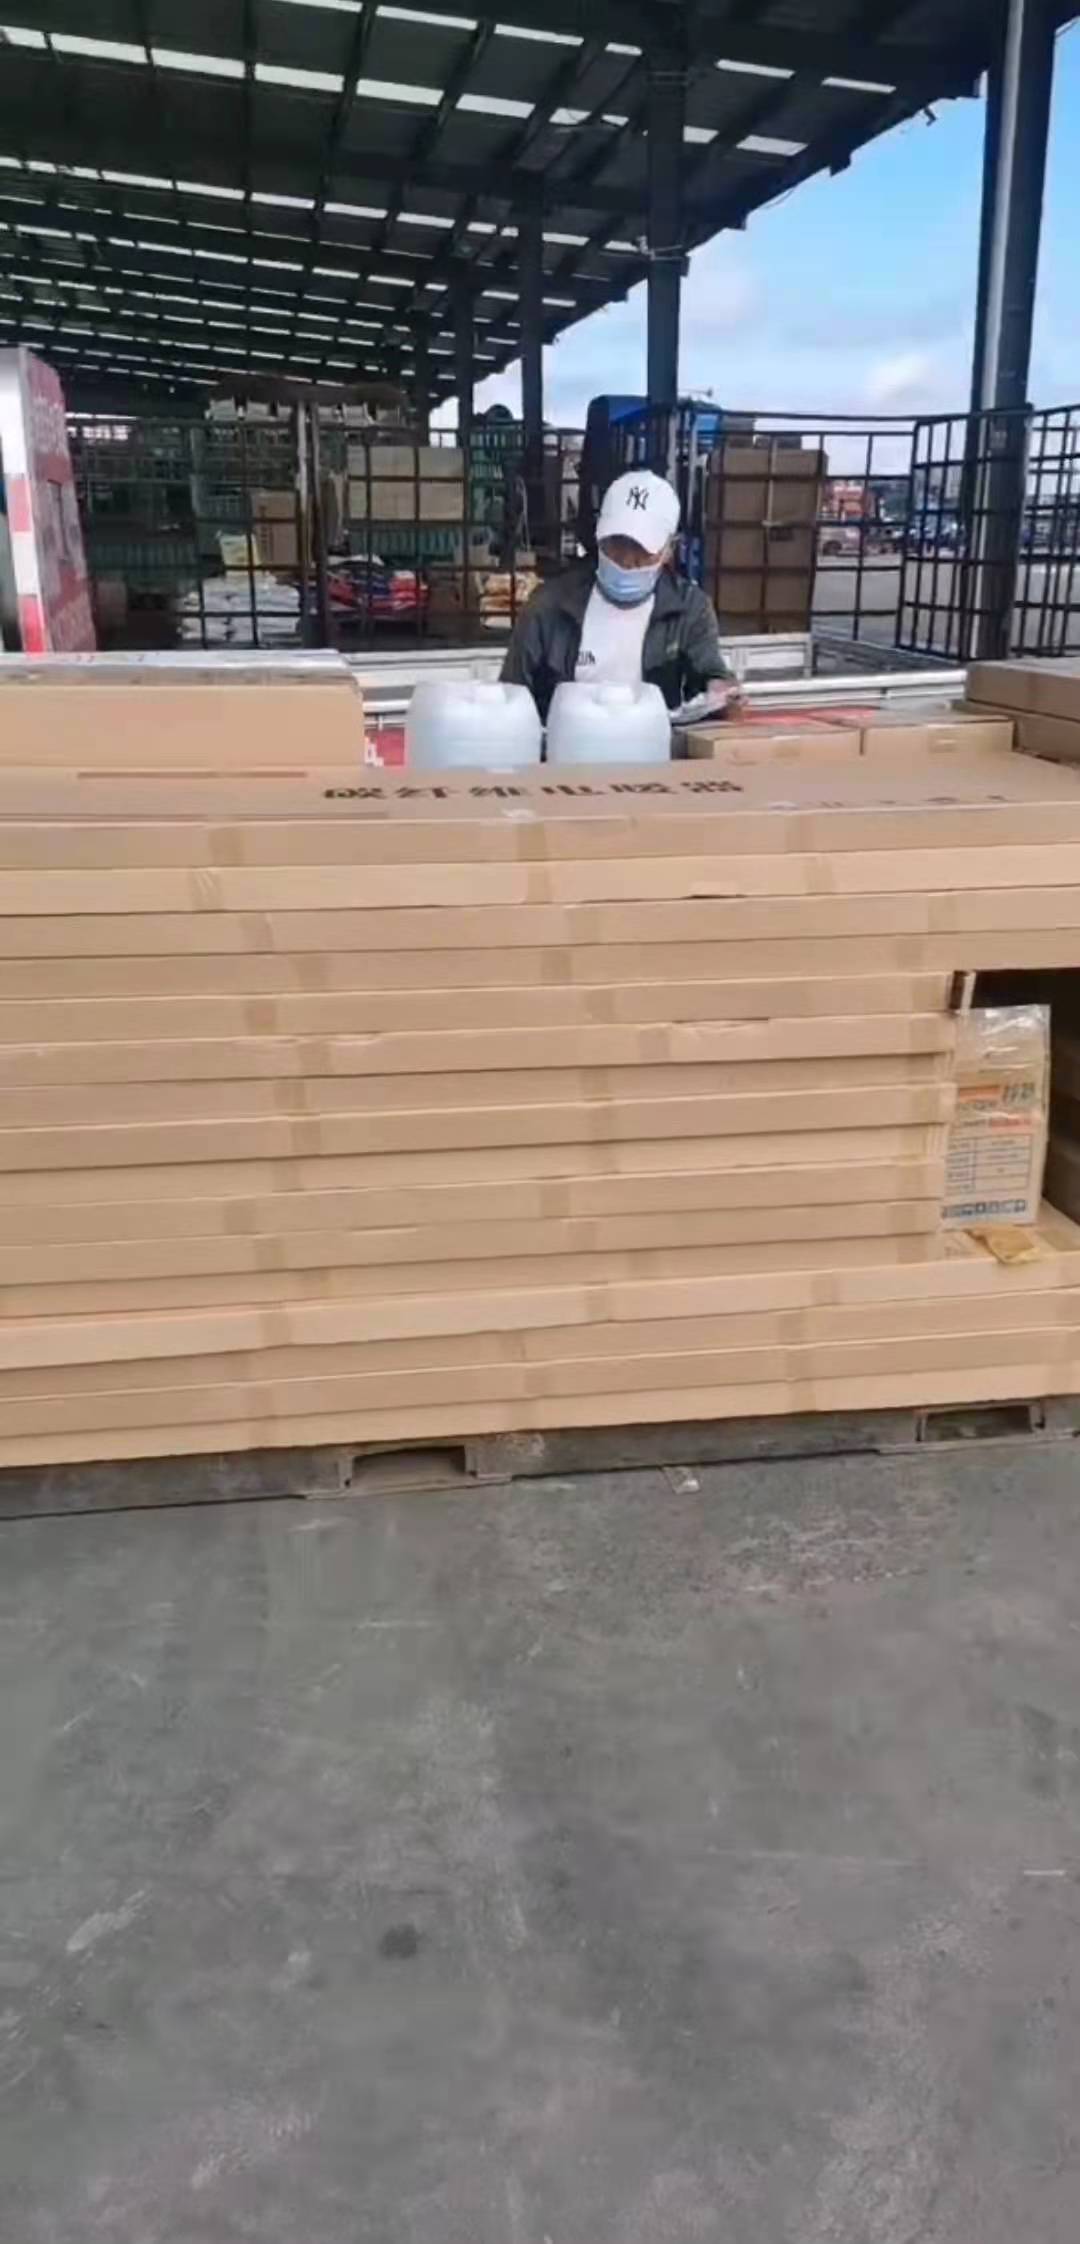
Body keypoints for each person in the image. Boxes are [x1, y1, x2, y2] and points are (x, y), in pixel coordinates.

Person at [501, 467, 742, 725]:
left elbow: (710, 678)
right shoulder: (548, 607)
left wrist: (722, 692)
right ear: (598, 536)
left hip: (654, 746)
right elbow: (509, 698)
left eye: (641, 551)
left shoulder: (688, 609)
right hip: (566, 747)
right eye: (616, 545)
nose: (626, 561)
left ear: (668, 549)